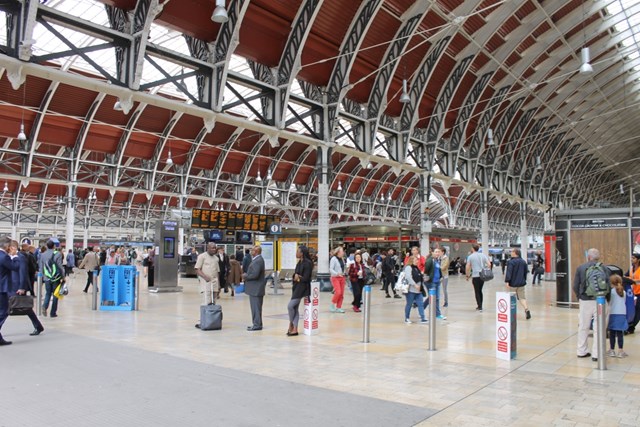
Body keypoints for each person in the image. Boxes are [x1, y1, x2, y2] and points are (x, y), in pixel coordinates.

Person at [573, 248, 609, 361]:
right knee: (599, 327)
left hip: (585, 300)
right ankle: (597, 354)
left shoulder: (581, 268)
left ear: (588, 257)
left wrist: (580, 297)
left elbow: (575, 285)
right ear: (598, 257)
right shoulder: (604, 268)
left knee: (584, 326)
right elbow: (608, 284)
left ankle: (581, 351)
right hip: (601, 301)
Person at [10, 240, 44, 336]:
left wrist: (22, 287)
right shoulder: (11, 257)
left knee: (22, 307)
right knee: (23, 308)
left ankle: (38, 326)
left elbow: (23, 272)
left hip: (18, 287)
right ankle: (38, 326)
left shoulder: (21, 257)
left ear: (14, 247)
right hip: (12, 286)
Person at [287, 246, 312, 336]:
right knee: (295, 308)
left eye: (297, 251)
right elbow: (296, 274)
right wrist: (295, 276)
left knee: (290, 306)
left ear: (302, 253)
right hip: (296, 287)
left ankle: (291, 323)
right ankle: (295, 329)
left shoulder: (308, 263)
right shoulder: (299, 263)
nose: (296, 253)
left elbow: (306, 277)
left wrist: (299, 277)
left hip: (302, 288)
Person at [0, 236, 20, 345]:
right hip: (2, 288)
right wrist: (15, 255)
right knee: (4, 311)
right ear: (7, 246)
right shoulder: (4, 257)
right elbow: (15, 267)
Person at [39, 240, 65, 318]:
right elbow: (60, 266)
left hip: (47, 277)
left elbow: (41, 266)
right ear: (54, 246)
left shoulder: (43, 254)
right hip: (56, 277)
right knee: (55, 294)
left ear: (46, 246)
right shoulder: (58, 254)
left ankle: (44, 306)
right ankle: (53, 313)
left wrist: (43, 276)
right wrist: (63, 276)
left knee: (48, 293)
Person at [243, 245, 266, 331]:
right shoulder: (257, 260)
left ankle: (257, 325)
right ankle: (256, 323)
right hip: (255, 289)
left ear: (256, 252)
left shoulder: (258, 261)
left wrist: (246, 276)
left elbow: (255, 275)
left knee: (256, 308)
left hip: (256, 289)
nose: (251, 252)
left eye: (252, 250)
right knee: (255, 308)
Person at [504, 248, 531, 320]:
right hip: (521, 283)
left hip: (513, 283)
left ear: (515, 253)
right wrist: (524, 280)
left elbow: (509, 272)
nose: (511, 252)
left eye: (512, 251)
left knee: (512, 298)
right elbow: (525, 272)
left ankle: (511, 314)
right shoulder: (523, 262)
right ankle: (526, 309)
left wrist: (507, 281)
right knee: (522, 298)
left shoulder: (511, 262)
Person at [466, 244, 492, 312]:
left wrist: (467, 275)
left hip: (475, 276)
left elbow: (468, 267)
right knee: (480, 290)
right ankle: (481, 305)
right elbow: (489, 264)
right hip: (482, 276)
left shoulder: (470, 256)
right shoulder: (483, 255)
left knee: (476, 291)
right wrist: (487, 269)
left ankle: (479, 306)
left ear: (472, 248)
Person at [608, 274, 629, 358]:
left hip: (613, 313)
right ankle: (620, 351)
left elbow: (609, 302)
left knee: (612, 333)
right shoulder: (623, 292)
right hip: (622, 314)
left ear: (611, 283)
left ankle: (612, 350)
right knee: (620, 333)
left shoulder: (611, 292)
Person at [403, 255, 428, 324]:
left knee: (420, 304)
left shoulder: (416, 268)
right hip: (411, 290)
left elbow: (419, 276)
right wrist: (415, 285)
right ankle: (406, 318)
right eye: (416, 260)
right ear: (412, 260)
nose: (417, 261)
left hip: (418, 290)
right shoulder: (408, 267)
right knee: (409, 304)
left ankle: (423, 317)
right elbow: (408, 277)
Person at [194, 242, 220, 307]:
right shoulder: (202, 256)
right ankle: (206, 315)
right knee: (207, 301)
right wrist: (205, 277)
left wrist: (219, 284)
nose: (214, 250)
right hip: (206, 283)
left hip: (214, 282)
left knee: (214, 301)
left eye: (215, 248)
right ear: (208, 248)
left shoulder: (216, 258)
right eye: (212, 248)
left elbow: (217, 272)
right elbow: (197, 269)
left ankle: (212, 316)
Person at [423, 248, 446, 320]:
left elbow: (439, 269)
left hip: (437, 282)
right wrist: (428, 279)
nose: (437, 253)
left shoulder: (437, 260)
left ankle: (437, 314)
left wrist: (441, 277)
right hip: (431, 282)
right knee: (433, 297)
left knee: (436, 298)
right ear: (432, 252)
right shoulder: (430, 260)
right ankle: (423, 308)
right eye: (436, 252)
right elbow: (426, 271)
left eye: (438, 252)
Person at [329, 246, 346, 313]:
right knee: (338, 292)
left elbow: (343, 267)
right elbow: (331, 269)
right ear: (338, 252)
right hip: (335, 277)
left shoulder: (342, 259)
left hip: (342, 277)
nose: (343, 253)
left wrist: (344, 272)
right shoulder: (333, 259)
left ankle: (339, 307)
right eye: (342, 251)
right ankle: (332, 304)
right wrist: (337, 273)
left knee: (341, 294)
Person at [626, 252, 640, 334]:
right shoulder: (631, 268)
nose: (632, 259)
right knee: (634, 310)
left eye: (634, 258)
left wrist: (633, 280)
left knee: (637, 310)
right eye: (631, 258)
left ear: (638, 260)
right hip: (633, 293)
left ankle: (631, 327)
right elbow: (626, 275)